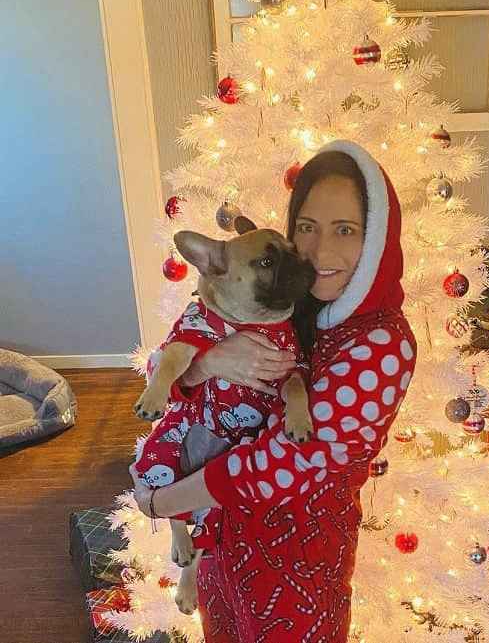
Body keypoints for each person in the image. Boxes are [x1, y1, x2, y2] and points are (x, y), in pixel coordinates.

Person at [130, 139, 417, 643]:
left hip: (294, 569)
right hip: (222, 547)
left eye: (345, 230)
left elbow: (281, 463)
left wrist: (161, 502)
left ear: (376, 238)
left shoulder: (382, 344)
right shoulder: (289, 305)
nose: (320, 250)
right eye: (306, 227)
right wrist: (207, 363)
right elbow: (164, 365)